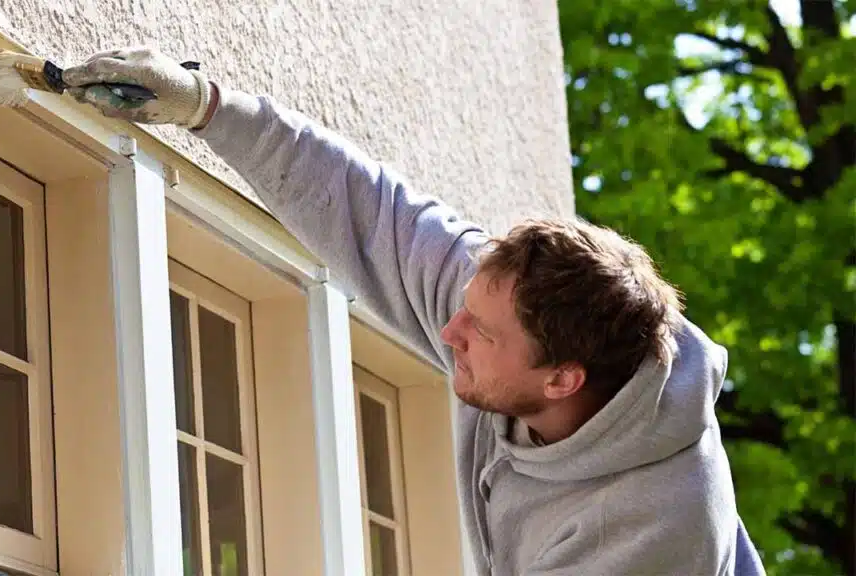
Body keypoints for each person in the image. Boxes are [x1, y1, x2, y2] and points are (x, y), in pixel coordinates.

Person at [61, 47, 767, 575]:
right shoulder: (506, 304)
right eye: (465, 307)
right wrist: (205, 106)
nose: (449, 331)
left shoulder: (653, 524)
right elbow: (368, 208)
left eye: (479, 334)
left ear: (562, 379)